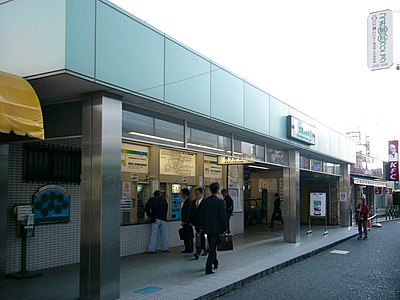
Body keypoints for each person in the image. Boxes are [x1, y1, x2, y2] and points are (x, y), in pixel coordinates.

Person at [200, 182, 227, 275]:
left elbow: (200, 215)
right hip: (216, 229)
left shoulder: (205, 201)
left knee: (212, 246)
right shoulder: (221, 202)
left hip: (206, 229)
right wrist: (224, 229)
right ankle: (208, 267)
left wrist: (200, 227)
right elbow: (223, 217)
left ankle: (215, 262)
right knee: (212, 249)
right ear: (218, 190)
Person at [190, 187, 208, 260]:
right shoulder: (193, 202)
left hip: (203, 224)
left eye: (197, 194)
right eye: (195, 194)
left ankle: (204, 250)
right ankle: (199, 250)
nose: (196, 195)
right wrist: (191, 221)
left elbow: (206, 214)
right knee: (198, 237)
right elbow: (192, 213)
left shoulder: (205, 202)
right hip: (196, 223)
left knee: (203, 237)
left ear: (201, 194)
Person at [181, 188, 193, 253]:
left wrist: (185, 221)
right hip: (187, 222)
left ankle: (188, 248)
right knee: (188, 235)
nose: (181, 196)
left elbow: (188, 212)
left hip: (187, 222)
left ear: (185, 194)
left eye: (182, 194)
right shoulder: (188, 201)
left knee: (187, 235)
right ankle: (189, 248)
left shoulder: (188, 202)